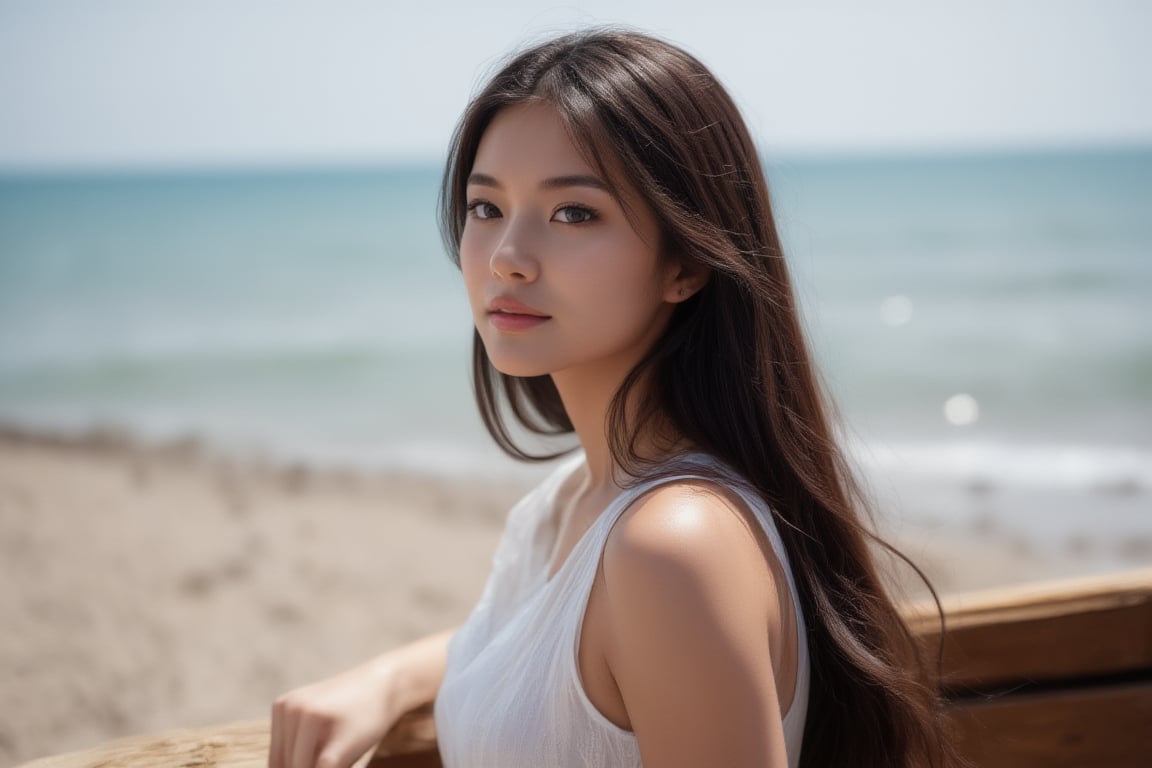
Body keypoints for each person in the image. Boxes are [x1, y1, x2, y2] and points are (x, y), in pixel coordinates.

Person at [269, 27, 956, 768]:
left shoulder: (671, 545)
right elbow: (529, 652)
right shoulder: (573, 501)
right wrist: (387, 680)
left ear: (687, 263)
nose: (508, 257)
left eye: (573, 214)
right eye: (485, 207)